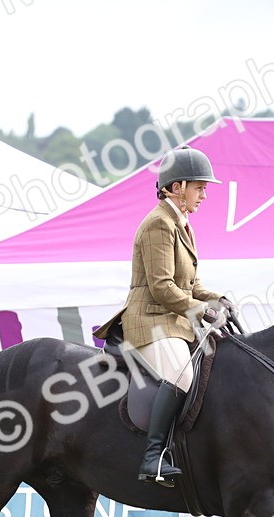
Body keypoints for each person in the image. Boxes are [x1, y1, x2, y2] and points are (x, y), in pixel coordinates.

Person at [94, 146, 234, 487]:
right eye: (199, 187)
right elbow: (161, 287)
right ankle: (153, 457)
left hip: (174, 320)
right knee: (183, 376)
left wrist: (219, 299)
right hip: (150, 319)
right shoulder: (159, 223)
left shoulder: (182, 224)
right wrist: (200, 309)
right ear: (177, 187)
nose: (204, 194)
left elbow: (191, 283)